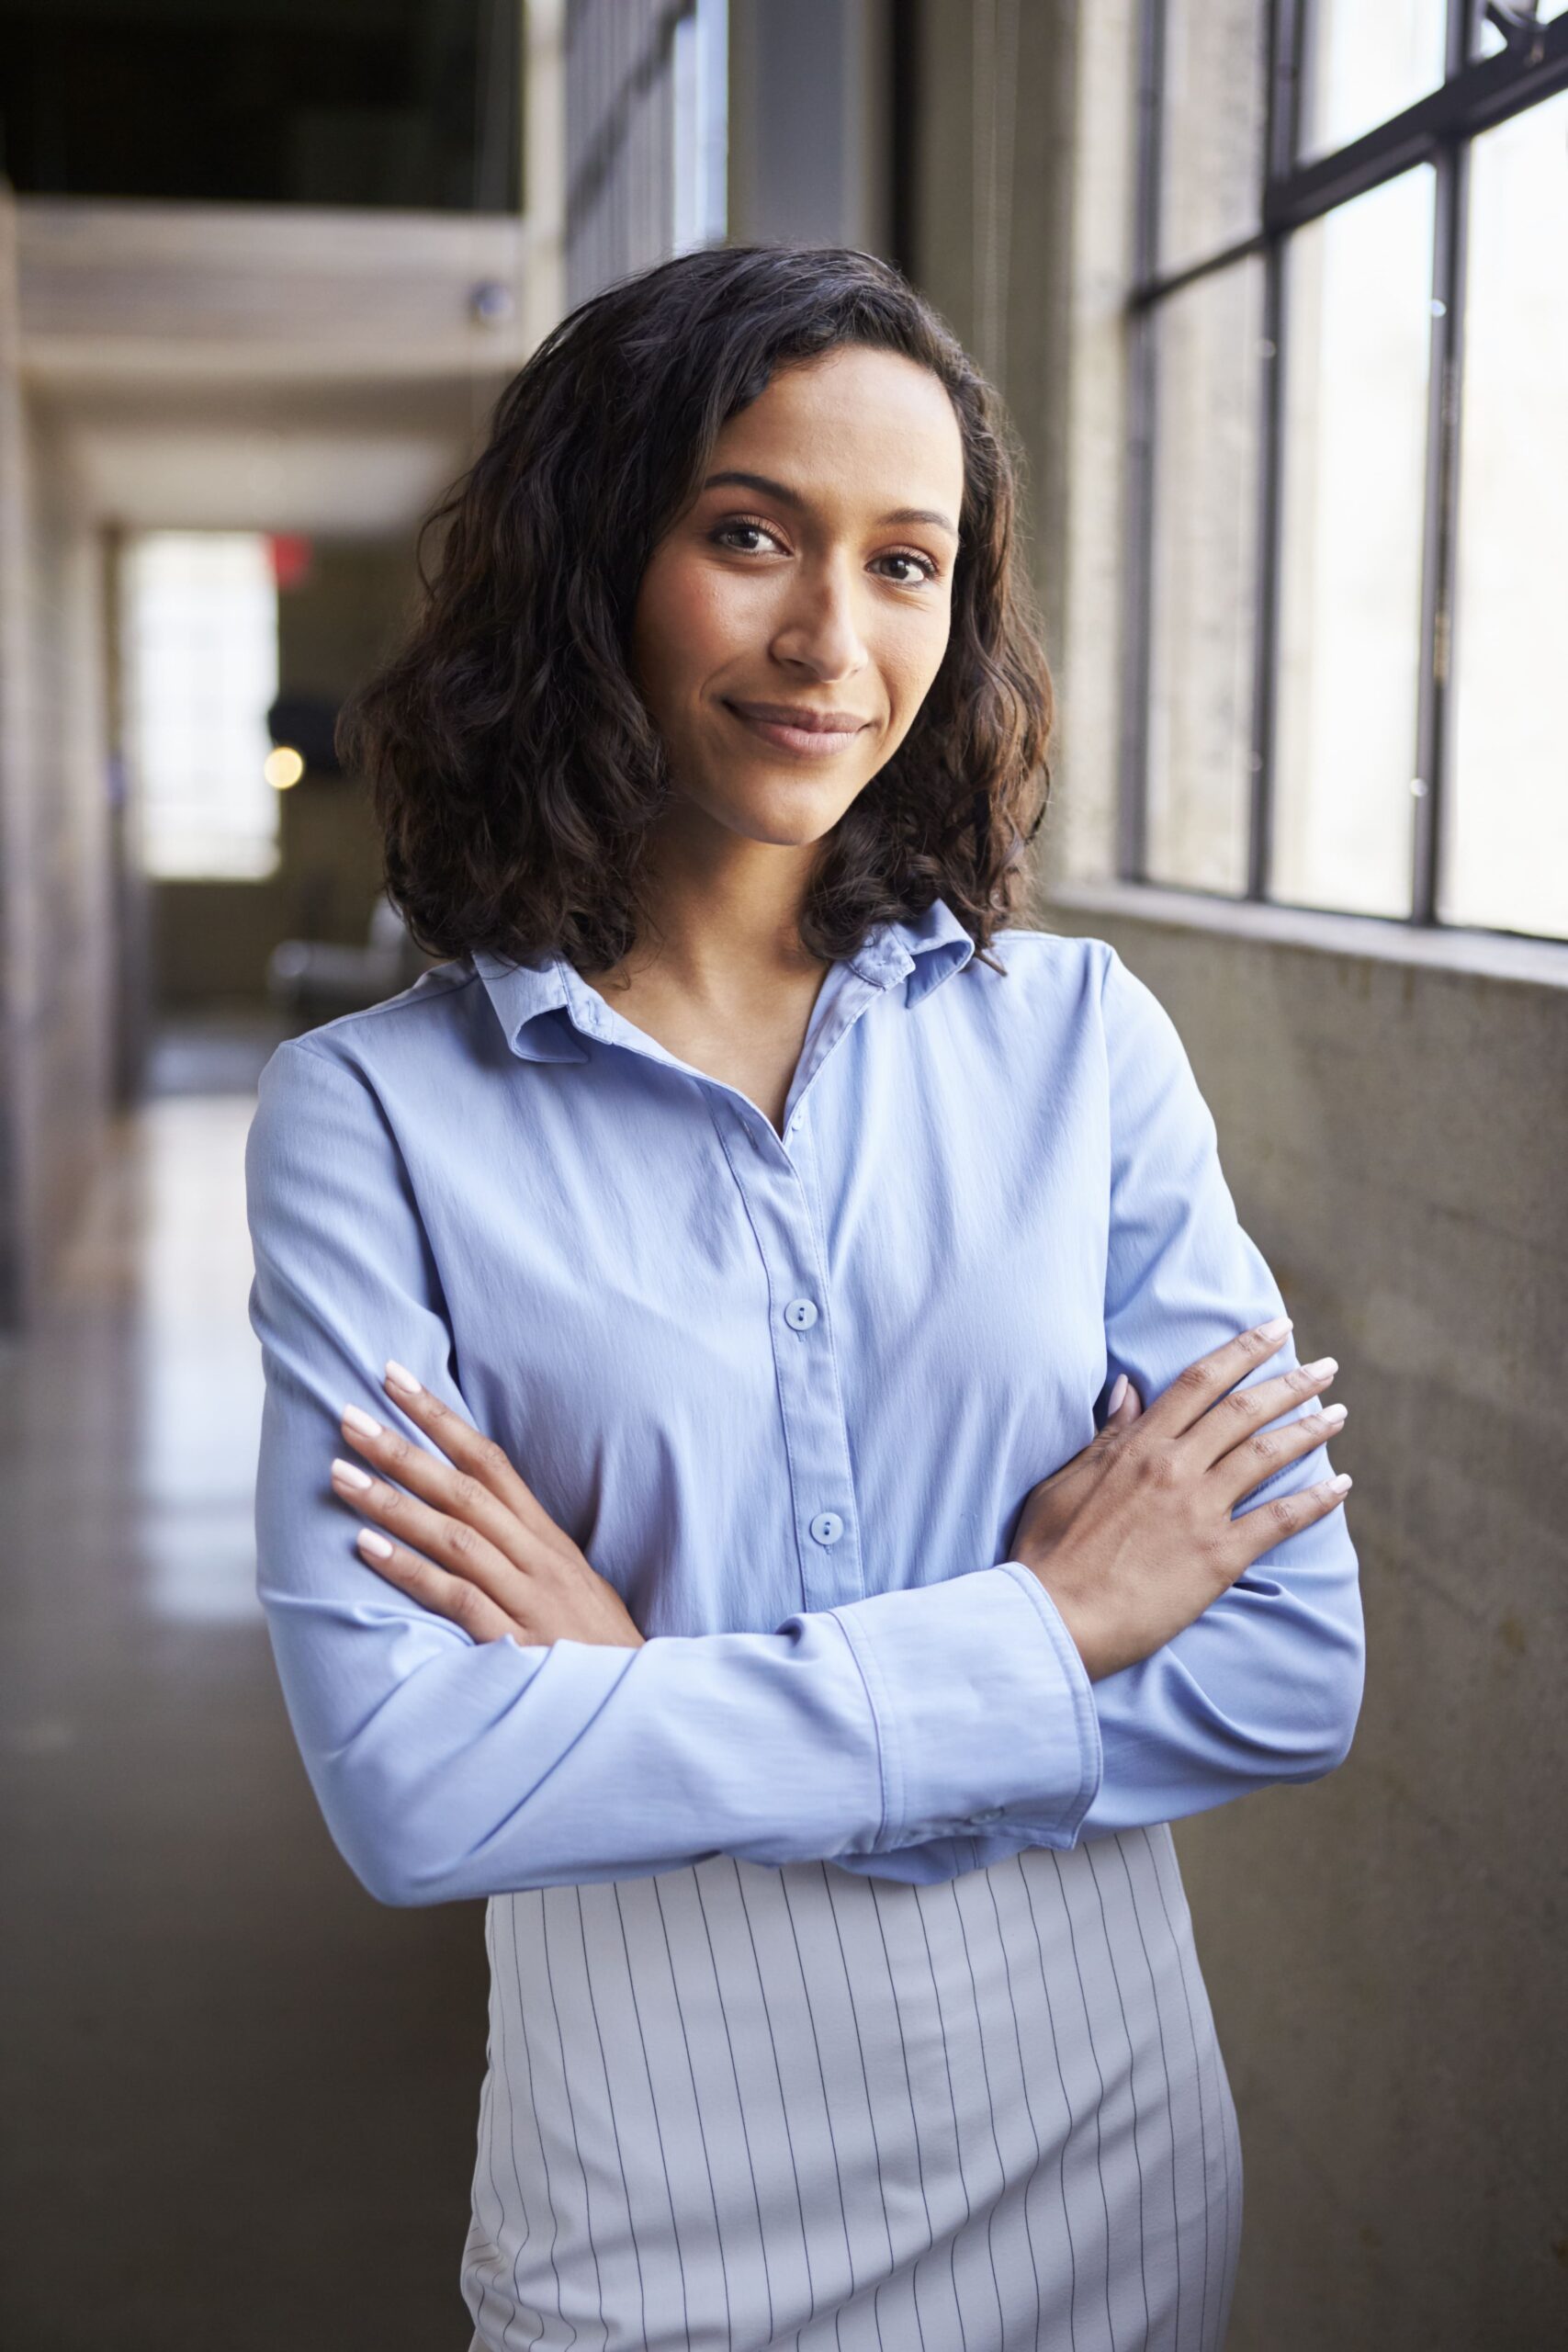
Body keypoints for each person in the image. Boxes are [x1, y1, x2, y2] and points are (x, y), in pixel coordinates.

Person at [244, 243, 1363, 2352]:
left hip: (1096, 2143)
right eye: (747, 531)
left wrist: (629, 1679)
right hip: (647, 2194)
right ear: (595, 557)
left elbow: (1286, 1667)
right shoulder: (369, 1118)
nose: (830, 640)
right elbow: (408, 1783)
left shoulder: (1081, 1043)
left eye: (906, 561)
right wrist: (1039, 1633)